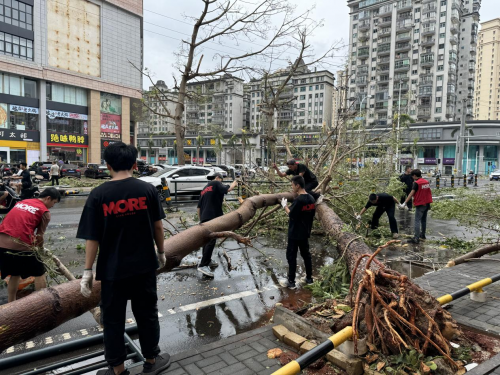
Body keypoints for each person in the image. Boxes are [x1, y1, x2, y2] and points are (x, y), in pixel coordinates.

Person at [77, 142, 170, 375]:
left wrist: (88, 270)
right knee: (147, 315)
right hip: (144, 267)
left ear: (107, 165)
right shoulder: (147, 190)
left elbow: (92, 237)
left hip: (112, 271)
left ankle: (118, 370)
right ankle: (151, 361)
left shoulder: (98, 194)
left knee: (113, 321)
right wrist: (161, 252)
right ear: (134, 164)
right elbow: (158, 227)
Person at [0, 188, 61, 302]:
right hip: (20, 243)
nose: (53, 206)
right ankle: (43, 303)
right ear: (48, 198)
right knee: (39, 272)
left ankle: (11, 303)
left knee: (15, 273)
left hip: (1, 242)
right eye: (54, 203)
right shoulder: (44, 212)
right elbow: (39, 237)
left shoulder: (22, 202)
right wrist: (41, 250)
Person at [197, 173, 238, 278]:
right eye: (221, 179)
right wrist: (235, 183)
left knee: (206, 239)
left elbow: (199, 207)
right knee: (211, 239)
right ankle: (203, 265)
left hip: (204, 217)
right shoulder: (216, 183)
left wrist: (201, 220)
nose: (221, 181)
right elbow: (228, 189)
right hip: (213, 216)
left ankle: (207, 260)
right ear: (218, 178)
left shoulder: (205, 189)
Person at [280, 175, 316, 289]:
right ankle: (309, 279)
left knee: (291, 256)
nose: (292, 187)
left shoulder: (299, 200)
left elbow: (291, 214)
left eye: (292, 185)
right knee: (306, 255)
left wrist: (285, 206)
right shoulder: (311, 199)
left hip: (295, 233)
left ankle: (291, 282)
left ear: (297, 185)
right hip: (305, 232)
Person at [401, 169, 433, 244]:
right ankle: (423, 235)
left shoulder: (416, 183)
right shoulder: (426, 181)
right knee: (424, 220)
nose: (412, 178)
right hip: (427, 203)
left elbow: (411, 193)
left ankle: (416, 238)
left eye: (412, 176)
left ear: (415, 176)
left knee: (417, 221)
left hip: (420, 203)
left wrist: (404, 203)